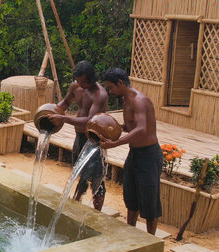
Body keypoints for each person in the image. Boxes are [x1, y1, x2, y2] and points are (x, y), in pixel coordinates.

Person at [99, 68, 162, 235]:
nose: (110, 91)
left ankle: (150, 240)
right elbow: (130, 127)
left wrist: (116, 143)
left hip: (149, 155)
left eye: (111, 87)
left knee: (149, 200)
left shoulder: (140, 101)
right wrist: (112, 127)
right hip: (134, 154)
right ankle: (130, 234)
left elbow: (142, 129)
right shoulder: (126, 101)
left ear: (120, 83)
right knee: (131, 196)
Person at [48, 60, 108, 211]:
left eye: (82, 82)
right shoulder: (76, 86)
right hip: (79, 137)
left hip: (94, 140)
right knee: (79, 171)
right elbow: (66, 103)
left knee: (96, 179)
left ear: (90, 79)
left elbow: (90, 122)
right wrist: (53, 112)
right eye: (78, 80)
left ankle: (97, 212)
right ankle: (77, 201)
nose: (79, 84)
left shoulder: (99, 95)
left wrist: (64, 119)